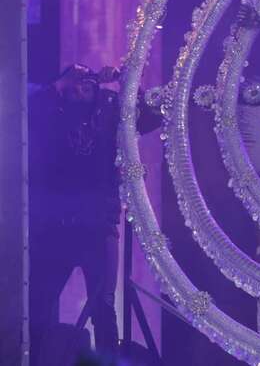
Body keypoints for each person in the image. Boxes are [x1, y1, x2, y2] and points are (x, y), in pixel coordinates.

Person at [28, 64, 160, 364]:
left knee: (103, 306)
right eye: (75, 83)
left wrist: (129, 84)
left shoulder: (108, 109)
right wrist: (59, 85)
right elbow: (30, 108)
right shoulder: (51, 111)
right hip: (56, 229)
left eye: (87, 81)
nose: (82, 86)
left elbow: (150, 118)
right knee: (39, 305)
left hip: (98, 227)